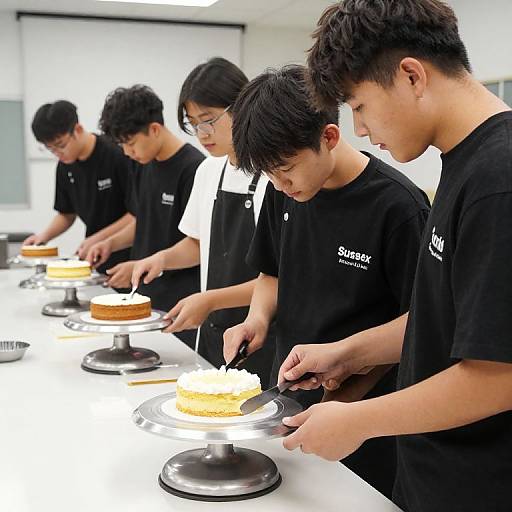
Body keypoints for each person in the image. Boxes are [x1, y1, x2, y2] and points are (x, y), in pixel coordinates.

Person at [276, 2, 512, 511]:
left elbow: (500, 375)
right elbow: (450, 317)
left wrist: (358, 420)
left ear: (410, 75)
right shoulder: (463, 161)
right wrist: (346, 353)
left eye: (359, 105)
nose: (360, 130)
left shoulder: (500, 178)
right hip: (430, 475)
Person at [223, 64, 430, 499]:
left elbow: (421, 325)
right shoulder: (284, 191)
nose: (281, 184)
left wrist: (345, 399)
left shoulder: (398, 207)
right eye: (269, 176)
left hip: (364, 421)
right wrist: (256, 320)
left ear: (329, 137)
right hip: (289, 399)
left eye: (287, 169)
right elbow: (270, 272)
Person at [131, 58, 274, 388]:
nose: (202, 133)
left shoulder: (274, 176)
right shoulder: (208, 170)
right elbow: (198, 243)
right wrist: (161, 259)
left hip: (262, 336)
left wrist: (209, 299)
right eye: (193, 123)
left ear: (241, 107)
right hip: (213, 333)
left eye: (208, 120)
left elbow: (278, 278)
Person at [87, 85, 204, 348]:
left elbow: (197, 243)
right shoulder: (144, 163)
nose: (128, 153)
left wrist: (152, 262)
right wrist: (111, 243)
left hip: (177, 306)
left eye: (130, 144)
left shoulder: (194, 169)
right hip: (143, 299)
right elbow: (143, 219)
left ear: (154, 129)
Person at [26, 100, 133, 273]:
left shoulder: (116, 155)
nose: (58, 154)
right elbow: (66, 213)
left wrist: (98, 238)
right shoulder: (64, 166)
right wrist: (42, 238)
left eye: (60, 145)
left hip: (129, 255)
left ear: (78, 130)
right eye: (50, 149)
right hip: (96, 256)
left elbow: (136, 214)